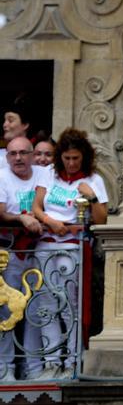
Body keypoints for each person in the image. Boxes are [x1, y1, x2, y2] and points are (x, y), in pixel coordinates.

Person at [31, 129, 108, 380]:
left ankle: (72, 360)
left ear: (84, 157)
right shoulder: (49, 174)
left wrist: (92, 196)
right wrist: (48, 221)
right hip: (47, 243)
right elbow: (36, 206)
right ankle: (51, 361)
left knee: (70, 306)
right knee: (46, 305)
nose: (71, 163)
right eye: (67, 158)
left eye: (76, 158)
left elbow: (102, 218)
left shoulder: (94, 179)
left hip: (73, 246)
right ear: (60, 157)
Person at [0, 137, 48, 380]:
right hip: (10, 254)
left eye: (23, 153)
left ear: (32, 154)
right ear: (7, 157)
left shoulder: (43, 173)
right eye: (13, 154)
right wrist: (21, 218)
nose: (18, 158)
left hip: (42, 252)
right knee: (7, 312)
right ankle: (5, 369)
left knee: (36, 312)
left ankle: (35, 368)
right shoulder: (2, 176)